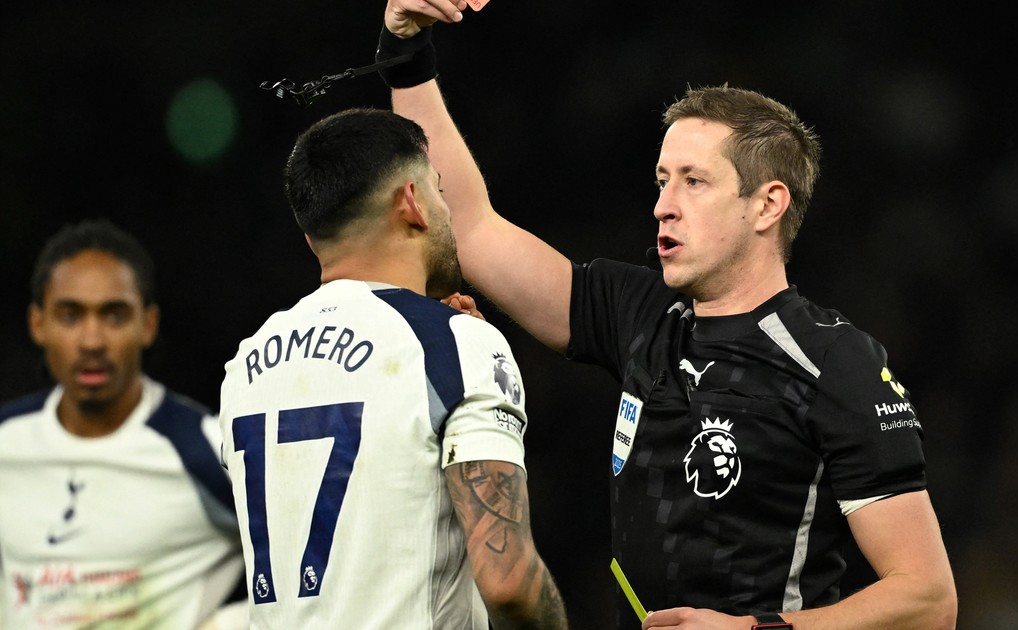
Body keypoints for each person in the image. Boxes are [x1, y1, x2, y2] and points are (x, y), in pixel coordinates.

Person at [376, 2, 958, 629]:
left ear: (767, 205)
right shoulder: (638, 312)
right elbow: (466, 225)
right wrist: (406, 53)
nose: (663, 205)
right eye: (662, 180)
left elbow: (928, 600)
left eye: (693, 181)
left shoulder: (834, 362)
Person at [216, 107, 568, 629]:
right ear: (412, 202)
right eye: (439, 190)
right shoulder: (452, 344)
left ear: (312, 236)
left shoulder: (245, 366)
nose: (446, 209)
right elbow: (508, 582)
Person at [0, 220, 247, 629]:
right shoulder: (7, 444)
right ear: (37, 324)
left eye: (114, 316)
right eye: (70, 316)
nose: (92, 341)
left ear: (147, 325)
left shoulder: (206, 448)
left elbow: (309, 551)